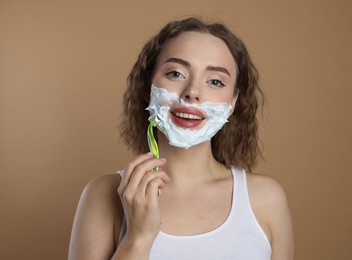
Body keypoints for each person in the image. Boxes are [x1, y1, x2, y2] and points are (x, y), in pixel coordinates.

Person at [68, 17, 294, 260]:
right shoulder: (103, 195)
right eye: (176, 73)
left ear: (232, 103)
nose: (192, 93)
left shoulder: (266, 200)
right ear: (148, 88)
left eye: (215, 81)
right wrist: (138, 238)